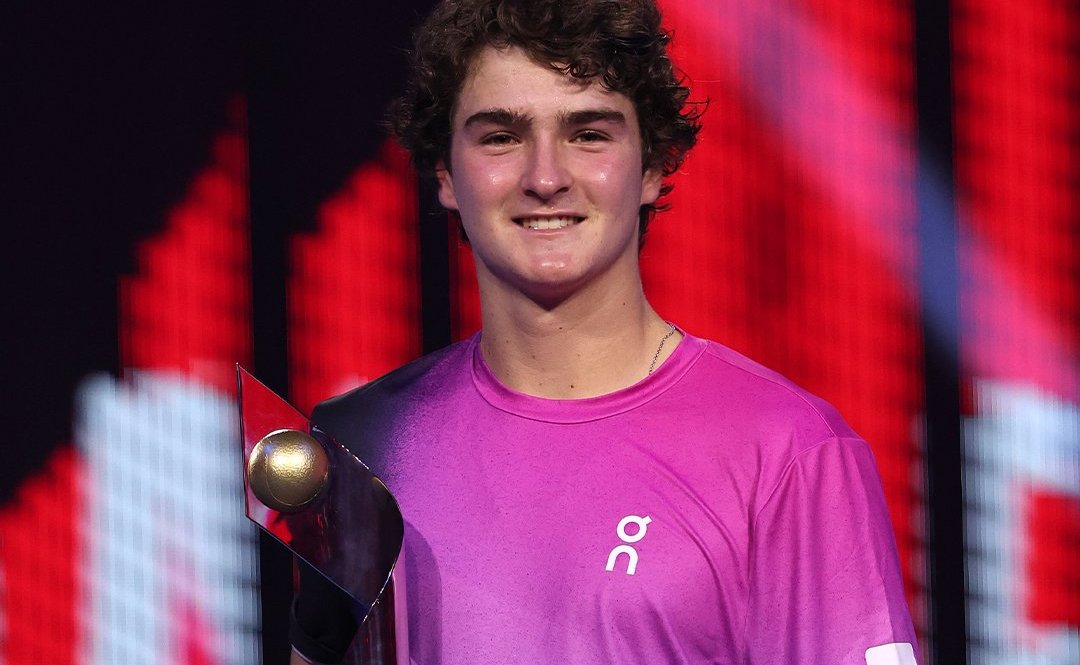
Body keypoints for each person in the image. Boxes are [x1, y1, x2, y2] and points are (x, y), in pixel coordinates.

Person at [290, 0, 920, 663]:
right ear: (445, 173)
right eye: (501, 136)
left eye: (588, 134)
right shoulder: (361, 447)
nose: (545, 178)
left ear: (652, 167)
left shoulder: (792, 454)